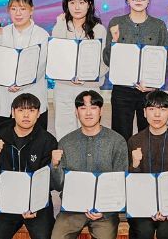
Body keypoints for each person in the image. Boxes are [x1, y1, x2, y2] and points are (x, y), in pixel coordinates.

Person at [51, 90, 129, 239]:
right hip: (72, 210)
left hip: (105, 211)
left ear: (101, 111)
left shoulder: (116, 141)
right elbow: (58, 186)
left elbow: (121, 182)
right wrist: (55, 166)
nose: (88, 113)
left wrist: (105, 210)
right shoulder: (66, 142)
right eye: (83, 108)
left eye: (93, 107)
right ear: (76, 112)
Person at [0, 93, 58, 239]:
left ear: (38, 114)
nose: (26, 115)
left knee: (44, 236)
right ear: (12, 112)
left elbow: (51, 184)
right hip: (8, 202)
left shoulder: (48, 141)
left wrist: (34, 204)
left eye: (31, 110)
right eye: (21, 110)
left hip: (38, 204)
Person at [104, 0, 168, 140]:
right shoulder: (116, 23)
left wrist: (153, 85)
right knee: (120, 137)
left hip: (149, 91)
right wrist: (114, 42)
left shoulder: (158, 25)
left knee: (148, 137)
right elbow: (107, 60)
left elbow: (166, 62)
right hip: (122, 90)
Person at [127, 90, 168, 239]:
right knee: (143, 231)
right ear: (144, 112)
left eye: (162, 109)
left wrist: (167, 206)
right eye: (152, 109)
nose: (157, 114)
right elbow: (132, 184)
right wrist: (135, 165)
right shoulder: (134, 141)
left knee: (166, 232)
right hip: (142, 205)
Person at [52, 0, 107, 139]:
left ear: (89, 4)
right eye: (72, 2)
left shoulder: (99, 30)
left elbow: (104, 62)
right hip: (64, 87)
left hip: (89, 87)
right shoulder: (60, 26)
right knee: (64, 133)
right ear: (66, 5)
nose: (77, 7)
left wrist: (87, 77)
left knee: (90, 132)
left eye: (81, 2)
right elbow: (55, 58)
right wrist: (60, 24)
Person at [0, 0, 49, 129]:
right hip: (4, 100)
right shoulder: (1, 33)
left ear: (31, 10)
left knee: (35, 140)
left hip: (33, 97)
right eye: (13, 9)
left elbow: (41, 66)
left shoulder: (42, 35)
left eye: (22, 9)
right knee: (4, 139)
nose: (18, 13)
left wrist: (21, 83)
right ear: (8, 10)